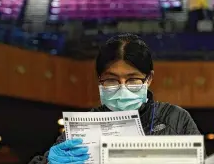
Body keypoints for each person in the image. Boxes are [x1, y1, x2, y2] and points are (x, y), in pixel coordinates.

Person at [29, 33, 201, 164]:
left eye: (133, 79)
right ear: (99, 80)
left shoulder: (176, 119)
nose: (123, 88)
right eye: (112, 80)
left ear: (149, 78)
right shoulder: (81, 128)